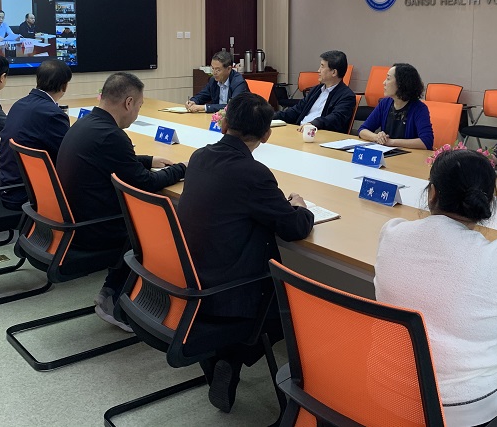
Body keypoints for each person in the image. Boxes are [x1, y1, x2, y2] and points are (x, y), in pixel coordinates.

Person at [376, 149, 497, 427]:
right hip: (463, 413)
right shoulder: (496, 259)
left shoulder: (392, 233)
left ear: (432, 193)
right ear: (488, 203)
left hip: (386, 395)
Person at [177, 92, 313, 413]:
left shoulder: (199, 157)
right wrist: (301, 207)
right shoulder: (254, 174)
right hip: (228, 292)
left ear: (224, 123)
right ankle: (230, 355)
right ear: (266, 135)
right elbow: (293, 228)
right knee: (286, 311)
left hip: (188, 278)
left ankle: (218, 355)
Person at [55, 71, 186, 331]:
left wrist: (148, 160)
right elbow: (145, 183)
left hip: (73, 220)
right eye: (139, 106)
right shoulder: (112, 135)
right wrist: (182, 168)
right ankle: (118, 301)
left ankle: (111, 291)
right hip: (95, 228)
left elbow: (113, 161)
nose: (137, 113)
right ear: (128, 103)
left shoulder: (86, 124)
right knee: (158, 226)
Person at [0, 59, 72, 210]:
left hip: (9, 187)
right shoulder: (52, 114)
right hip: (29, 195)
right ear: (64, 85)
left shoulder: (19, 104)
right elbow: (67, 158)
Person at [273, 50, 356, 133]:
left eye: (322, 66)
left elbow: (336, 118)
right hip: (300, 130)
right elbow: (297, 110)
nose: (318, 70)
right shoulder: (316, 90)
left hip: (320, 133)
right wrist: (272, 116)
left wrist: (314, 124)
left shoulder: (347, 96)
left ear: (334, 72)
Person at [358, 63, 434, 149]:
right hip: (387, 152)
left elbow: (426, 142)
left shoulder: (419, 108)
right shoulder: (384, 103)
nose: (384, 83)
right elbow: (362, 130)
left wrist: (392, 142)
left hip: (409, 154)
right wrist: (377, 137)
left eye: (388, 79)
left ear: (401, 83)